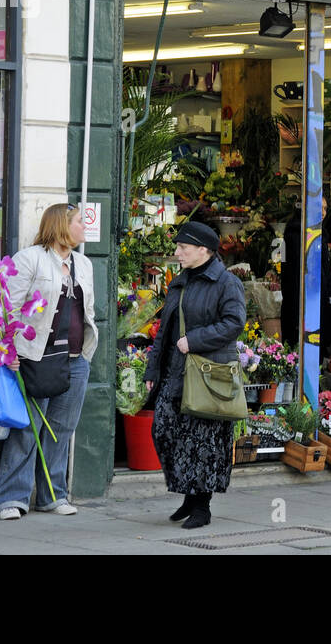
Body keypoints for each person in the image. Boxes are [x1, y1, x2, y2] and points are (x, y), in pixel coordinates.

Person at [0, 203, 96, 521]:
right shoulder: (30, 259)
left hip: (76, 359)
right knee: (27, 429)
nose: (84, 227)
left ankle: (53, 495)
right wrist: (10, 351)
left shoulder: (84, 264)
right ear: (60, 225)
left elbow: (87, 311)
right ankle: (11, 498)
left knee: (62, 429)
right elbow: (7, 308)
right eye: (79, 222)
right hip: (37, 357)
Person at [143, 221, 247, 529]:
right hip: (175, 371)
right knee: (164, 430)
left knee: (202, 441)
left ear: (203, 250)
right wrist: (153, 368)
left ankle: (202, 506)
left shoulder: (226, 283)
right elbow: (165, 329)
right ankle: (188, 493)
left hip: (207, 373)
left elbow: (234, 323)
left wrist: (195, 341)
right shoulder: (181, 280)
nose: (177, 253)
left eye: (183, 248)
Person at [280, 195, 331, 352]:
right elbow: (294, 277)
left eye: (325, 208)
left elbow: (326, 274)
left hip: (308, 305)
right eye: (319, 208)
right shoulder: (298, 235)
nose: (323, 213)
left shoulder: (312, 234)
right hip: (304, 306)